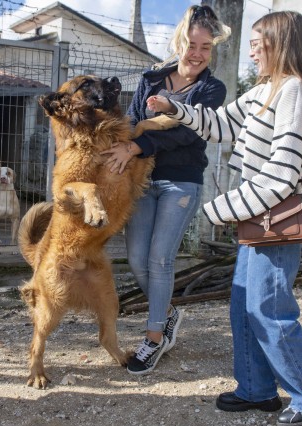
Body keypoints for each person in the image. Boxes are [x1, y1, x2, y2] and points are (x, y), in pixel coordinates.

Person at [147, 11, 302, 426]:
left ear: (279, 42)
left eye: (258, 41)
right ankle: (257, 388)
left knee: (269, 309)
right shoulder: (264, 90)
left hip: (273, 220)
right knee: (243, 305)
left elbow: (282, 174)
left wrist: (219, 210)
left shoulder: (291, 91)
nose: (251, 49)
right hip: (257, 218)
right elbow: (219, 124)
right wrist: (174, 108)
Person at [101, 4, 230, 375]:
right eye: (192, 43)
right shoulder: (152, 78)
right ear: (180, 41)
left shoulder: (211, 88)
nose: (197, 53)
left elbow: (187, 134)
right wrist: (121, 142)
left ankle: (154, 338)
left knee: (160, 260)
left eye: (206, 47)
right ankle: (168, 314)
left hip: (181, 181)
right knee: (139, 261)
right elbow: (134, 120)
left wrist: (135, 146)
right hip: (142, 179)